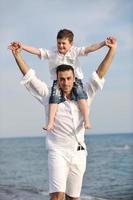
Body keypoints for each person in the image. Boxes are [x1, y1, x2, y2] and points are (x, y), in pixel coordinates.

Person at [9, 37, 117, 200]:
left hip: (79, 153)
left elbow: (99, 74)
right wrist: (17, 55)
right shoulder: (48, 96)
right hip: (57, 151)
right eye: (62, 79)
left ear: (74, 79)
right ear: (57, 80)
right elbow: (30, 77)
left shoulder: (85, 94)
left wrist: (112, 50)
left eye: (68, 78)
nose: (65, 82)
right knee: (57, 196)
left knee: (73, 198)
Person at [10, 29, 108, 131]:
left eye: (64, 43)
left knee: (81, 96)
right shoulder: (53, 53)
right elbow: (37, 51)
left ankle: (86, 120)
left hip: (75, 80)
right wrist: (23, 47)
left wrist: (103, 43)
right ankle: (50, 123)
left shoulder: (74, 51)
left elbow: (89, 48)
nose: (61, 46)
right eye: (59, 43)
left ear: (71, 44)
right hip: (58, 81)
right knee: (53, 99)